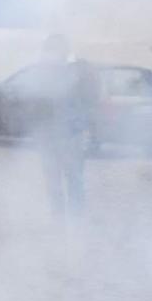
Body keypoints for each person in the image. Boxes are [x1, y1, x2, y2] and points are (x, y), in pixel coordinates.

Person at [18, 34, 99, 215]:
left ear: (63, 52)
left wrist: (81, 126)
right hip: (48, 137)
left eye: (54, 51)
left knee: (74, 180)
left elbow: (91, 102)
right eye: (49, 51)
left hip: (71, 136)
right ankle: (59, 221)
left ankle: (76, 221)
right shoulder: (41, 72)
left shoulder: (80, 70)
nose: (50, 56)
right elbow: (31, 103)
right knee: (54, 182)